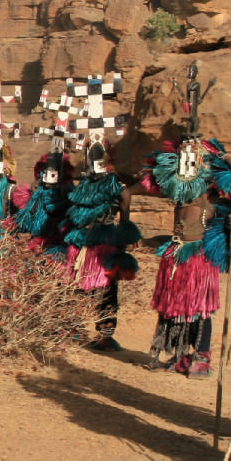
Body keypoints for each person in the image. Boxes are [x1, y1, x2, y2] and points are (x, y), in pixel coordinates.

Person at [139, 135, 231, 375]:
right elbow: (153, 171)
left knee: (199, 308)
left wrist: (218, 153)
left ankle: (200, 355)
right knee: (171, 306)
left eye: (192, 156)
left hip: (199, 257)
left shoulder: (209, 189)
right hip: (176, 254)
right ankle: (172, 352)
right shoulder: (177, 187)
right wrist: (181, 147)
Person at [65, 139, 140, 351]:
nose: (93, 168)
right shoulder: (83, 188)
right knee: (75, 289)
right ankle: (74, 329)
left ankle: (105, 334)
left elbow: (124, 223)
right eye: (90, 163)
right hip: (82, 246)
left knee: (107, 292)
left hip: (106, 248)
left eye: (97, 163)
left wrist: (121, 251)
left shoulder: (120, 191)